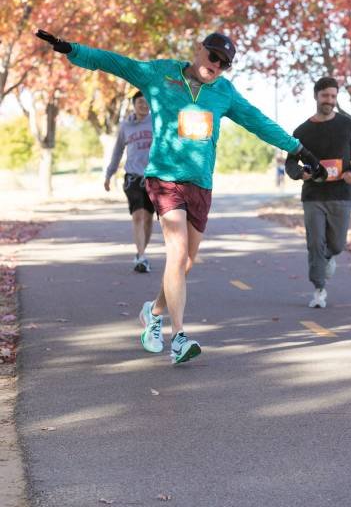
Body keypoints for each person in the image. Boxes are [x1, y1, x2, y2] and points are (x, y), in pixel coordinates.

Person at [36, 28, 322, 364]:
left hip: (200, 183)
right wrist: (73, 49)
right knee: (177, 252)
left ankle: (154, 312)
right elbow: (115, 62)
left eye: (225, 63)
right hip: (164, 178)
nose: (216, 65)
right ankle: (179, 338)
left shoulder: (224, 92)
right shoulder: (161, 74)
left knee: (185, 262)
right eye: (213, 56)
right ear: (199, 48)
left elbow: (258, 122)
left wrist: (299, 148)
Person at [285, 76, 351, 308]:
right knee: (314, 243)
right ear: (316, 96)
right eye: (325, 96)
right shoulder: (302, 130)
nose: (329, 100)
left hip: (341, 194)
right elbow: (290, 163)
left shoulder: (347, 125)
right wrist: (300, 173)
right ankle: (319, 289)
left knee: (337, 245)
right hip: (313, 196)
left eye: (333, 96)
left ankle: (327, 258)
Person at [104, 90, 154, 273]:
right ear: (134, 105)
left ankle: (141, 253)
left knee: (148, 219)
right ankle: (141, 256)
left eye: (147, 102)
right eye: (140, 102)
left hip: (153, 178)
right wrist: (109, 174)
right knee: (138, 215)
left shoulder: (157, 122)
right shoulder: (126, 126)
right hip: (133, 177)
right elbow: (117, 151)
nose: (144, 105)